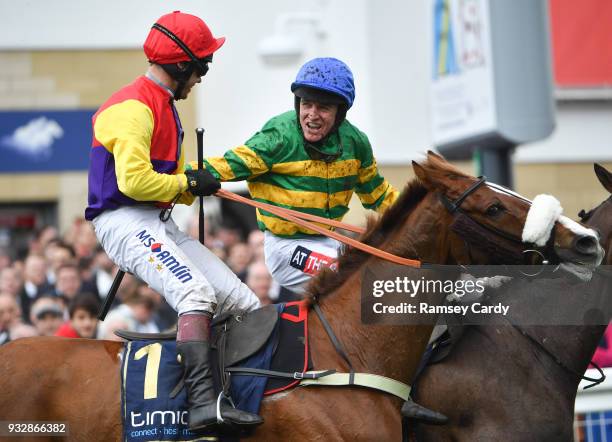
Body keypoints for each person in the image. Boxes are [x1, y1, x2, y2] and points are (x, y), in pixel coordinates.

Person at [84, 11, 262, 431]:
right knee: (195, 292)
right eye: (201, 66)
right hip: (123, 221)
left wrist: (194, 186)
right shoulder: (133, 106)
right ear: (183, 65)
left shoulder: (164, 106)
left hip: (155, 220)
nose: (201, 77)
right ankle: (202, 404)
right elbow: (134, 181)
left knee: (243, 302)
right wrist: (185, 181)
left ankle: (242, 392)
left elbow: (160, 184)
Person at [201, 57, 399, 294]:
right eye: (306, 104)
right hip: (286, 248)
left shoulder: (356, 143)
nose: (312, 115)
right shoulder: (278, 136)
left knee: (392, 275)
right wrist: (188, 176)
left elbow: (379, 195)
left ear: (340, 112)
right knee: (360, 279)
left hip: (330, 242)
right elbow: (230, 164)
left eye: (323, 107)